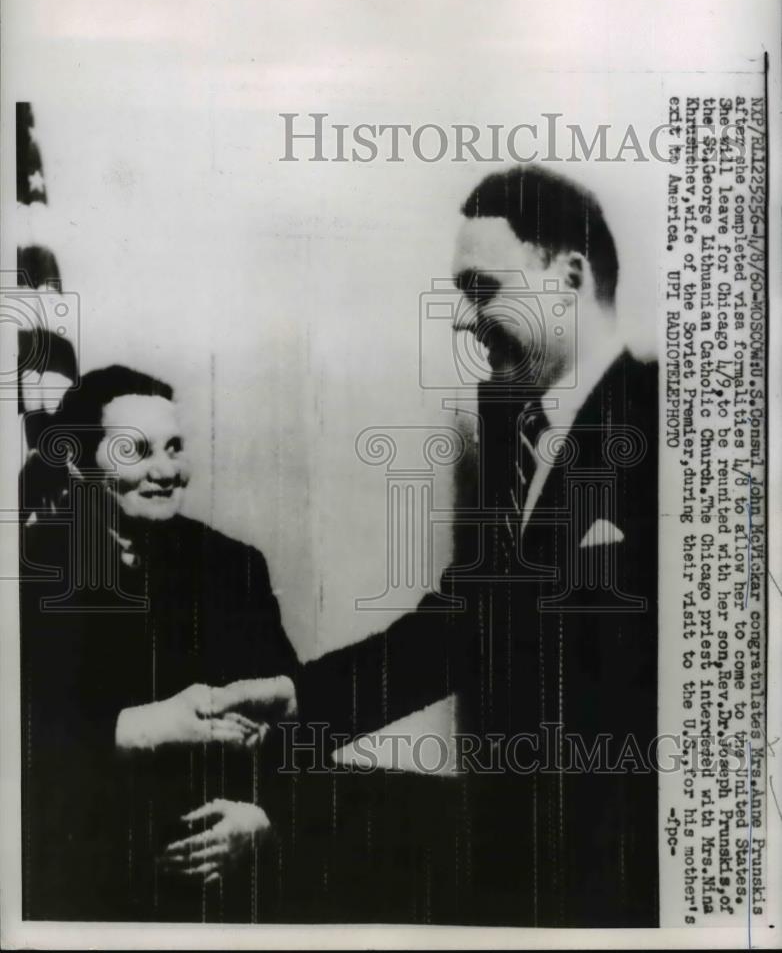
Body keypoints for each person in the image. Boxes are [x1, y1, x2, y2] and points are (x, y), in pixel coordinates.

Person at [229, 165, 659, 927]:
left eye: (481, 288)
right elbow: (467, 625)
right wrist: (298, 700)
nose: (463, 321)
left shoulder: (670, 418)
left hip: (631, 877)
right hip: (530, 865)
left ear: (568, 276)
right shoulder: (511, 429)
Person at [20, 365, 298, 923]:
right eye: (137, 451)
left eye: (174, 447)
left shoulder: (233, 566)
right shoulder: (29, 573)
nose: (167, 471)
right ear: (78, 461)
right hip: (84, 882)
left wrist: (265, 820)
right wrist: (144, 728)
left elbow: (293, 724)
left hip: (233, 880)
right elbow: (21, 747)